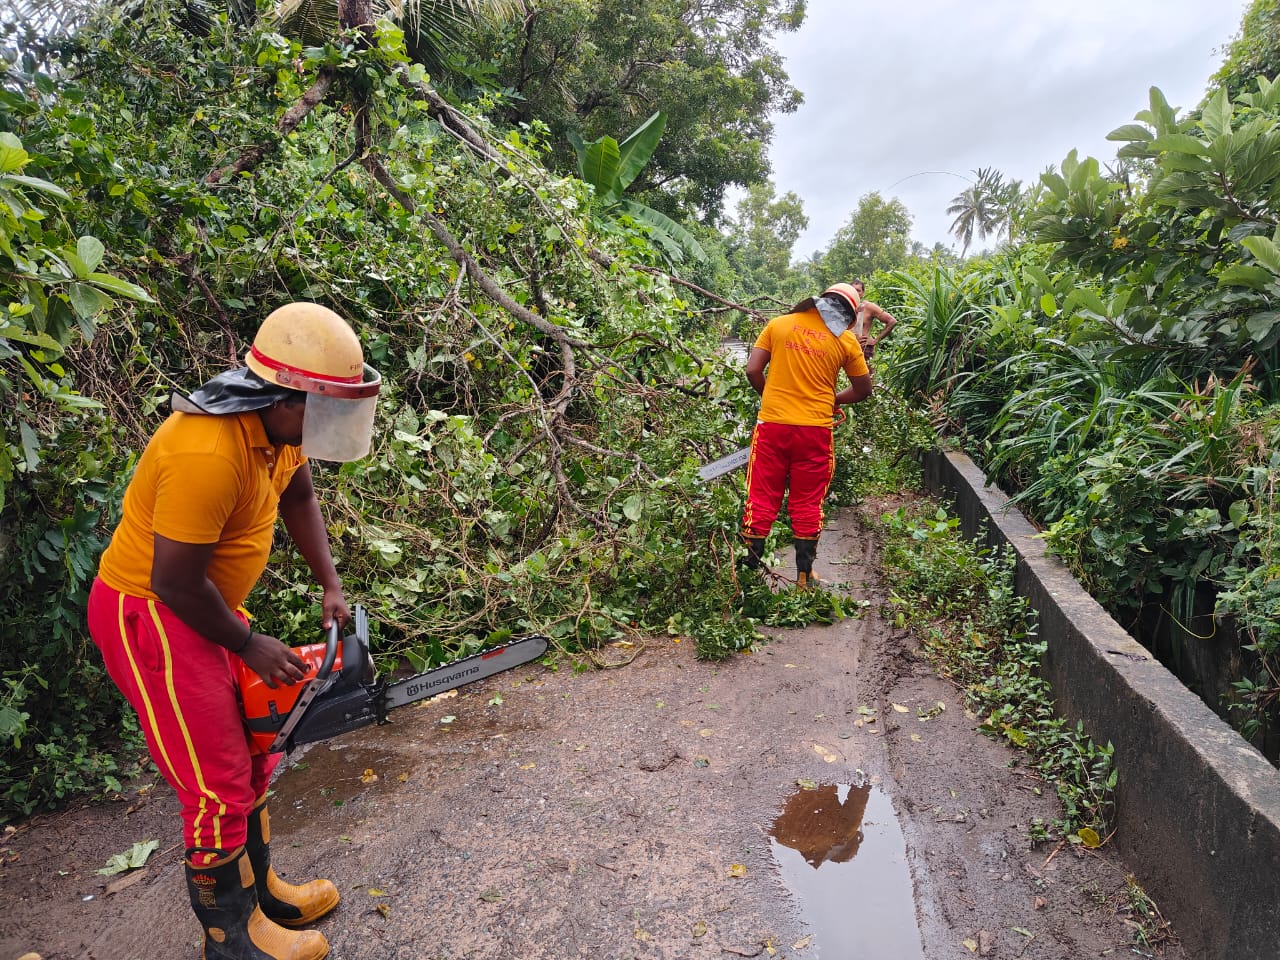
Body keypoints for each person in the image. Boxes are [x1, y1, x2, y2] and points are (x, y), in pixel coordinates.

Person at [86, 303, 382, 960]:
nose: (325, 424)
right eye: (320, 408)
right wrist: (247, 642)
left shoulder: (278, 432)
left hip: (204, 606)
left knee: (254, 751)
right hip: (155, 618)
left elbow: (299, 496)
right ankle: (229, 936)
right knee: (215, 778)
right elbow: (174, 583)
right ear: (280, 397)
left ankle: (261, 894)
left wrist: (330, 585)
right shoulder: (207, 450)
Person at [741, 283, 873, 588]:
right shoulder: (846, 341)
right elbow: (864, 390)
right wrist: (833, 399)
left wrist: (771, 398)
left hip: (772, 428)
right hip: (815, 432)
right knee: (807, 503)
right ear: (850, 314)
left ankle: (747, 576)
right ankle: (804, 577)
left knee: (761, 497)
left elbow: (752, 371)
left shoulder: (778, 325)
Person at [851, 279, 898, 358]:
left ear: (863, 293)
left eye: (858, 290)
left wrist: (875, 340)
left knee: (866, 370)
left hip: (864, 348)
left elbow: (892, 321)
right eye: (853, 290)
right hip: (848, 347)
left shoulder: (869, 307)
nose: (855, 292)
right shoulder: (845, 307)